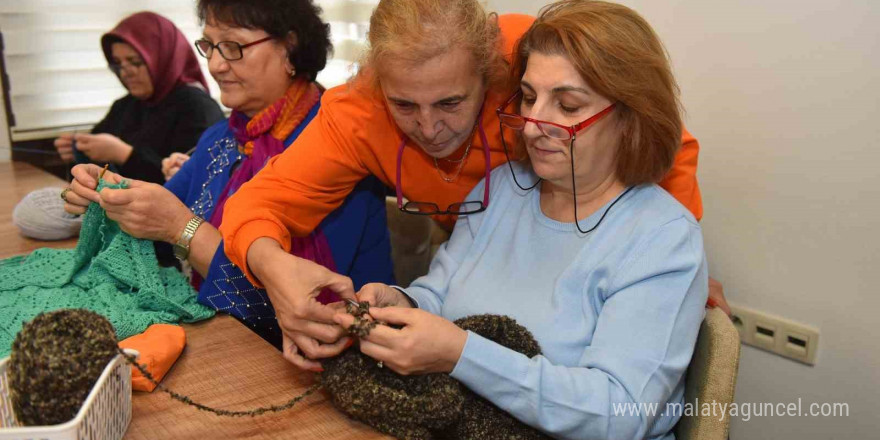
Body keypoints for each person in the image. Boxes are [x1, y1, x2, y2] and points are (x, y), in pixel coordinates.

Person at [217, 0, 713, 371]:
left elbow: (659, 140)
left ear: (493, 75)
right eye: (405, 106)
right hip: (480, 257)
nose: (429, 129)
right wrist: (276, 270)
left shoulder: (527, 57)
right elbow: (254, 206)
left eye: (451, 103)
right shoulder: (357, 112)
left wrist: (658, 268)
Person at [335, 1, 707, 438]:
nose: (532, 125)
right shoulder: (504, 190)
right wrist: (403, 304)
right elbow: (440, 293)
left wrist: (460, 355)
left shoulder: (662, 240)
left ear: (630, 117)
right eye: (529, 98)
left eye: (567, 106)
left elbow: (619, 413)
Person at [61, 0, 395, 349]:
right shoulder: (224, 136)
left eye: (233, 47)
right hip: (224, 336)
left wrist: (181, 228)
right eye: (210, 46)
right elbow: (157, 224)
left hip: (326, 354)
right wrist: (110, 194)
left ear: (289, 48)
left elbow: (297, 305)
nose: (216, 65)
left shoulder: (337, 148)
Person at [53, 11, 224, 184]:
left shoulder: (197, 107)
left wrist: (124, 155)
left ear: (162, 58)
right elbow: (96, 157)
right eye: (117, 64)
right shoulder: (126, 105)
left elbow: (194, 182)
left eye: (135, 62)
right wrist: (78, 150)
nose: (125, 72)